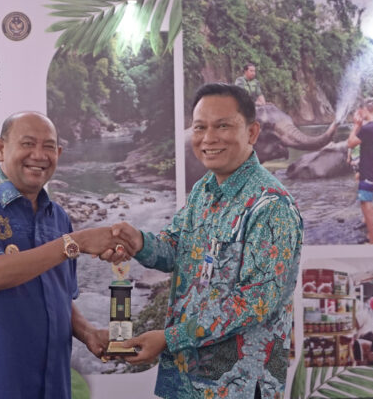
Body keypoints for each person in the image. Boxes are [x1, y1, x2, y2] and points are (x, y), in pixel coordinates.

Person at [104, 83, 303, 399]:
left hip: (238, 387)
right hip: (187, 381)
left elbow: (254, 304)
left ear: (252, 132)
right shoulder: (204, 189)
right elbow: (175, 248)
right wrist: (137, 241)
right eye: (200, 127)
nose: (208, 138)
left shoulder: (271, 206)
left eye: (222, 126)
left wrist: (169, 338)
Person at [0, 111, 125, 398]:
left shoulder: (58, 217)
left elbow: (57, 295)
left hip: (53, 385)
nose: (39, 155)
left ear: (58, 153)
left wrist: (88, 333)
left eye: (48, 146)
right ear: (0, 148)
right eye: (27, 144)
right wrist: (75, 242)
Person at [347, 97, 373, 244]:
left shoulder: (368, 129)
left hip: (368, 173)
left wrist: (356, 126)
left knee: (366, 203)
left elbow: (350, 143)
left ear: (363, 110)